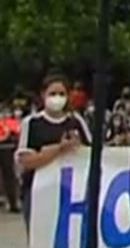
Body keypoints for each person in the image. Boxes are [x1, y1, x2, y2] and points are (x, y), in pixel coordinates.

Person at [15, 73, 91, 232]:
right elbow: (25, 161)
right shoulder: (32, 123)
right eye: (53, 93)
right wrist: (59, 149)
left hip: (72, 195)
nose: (57, 98)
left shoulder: (76, 121)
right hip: (37, 193)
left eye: (61, 94)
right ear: (43, 95)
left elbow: (92, 155)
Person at [0, 103, 22, 214]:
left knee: (9, 176)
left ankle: (12, 202)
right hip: (6, 148)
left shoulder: (9, 120)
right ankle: (11, 201)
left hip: (6, 148)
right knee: (8, 176)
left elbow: (17, 131)